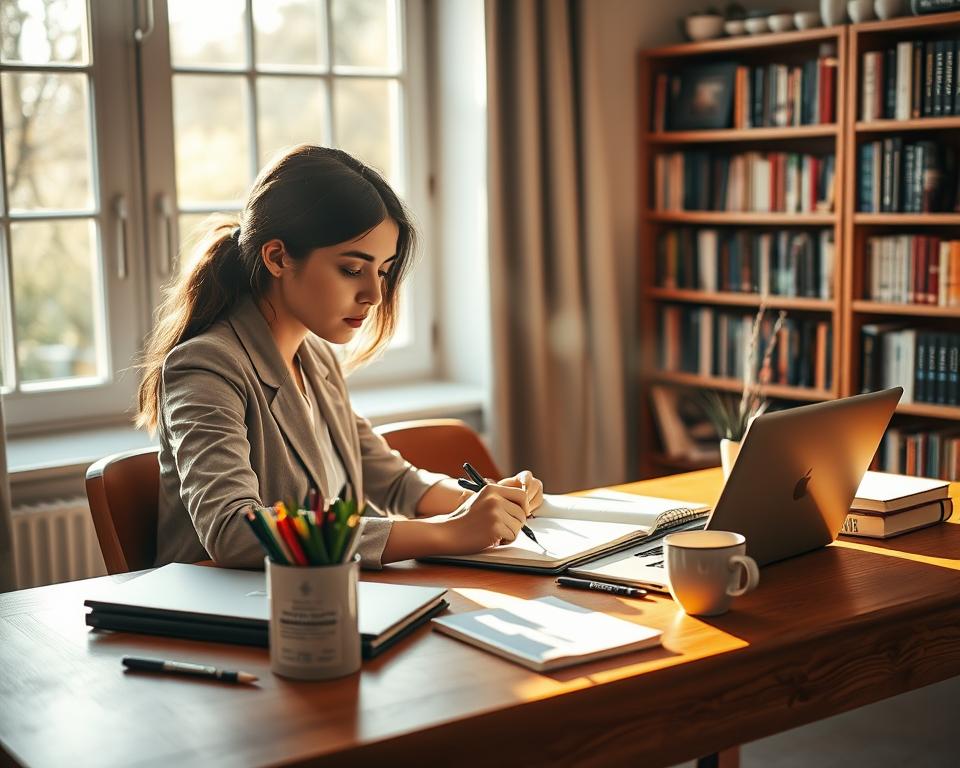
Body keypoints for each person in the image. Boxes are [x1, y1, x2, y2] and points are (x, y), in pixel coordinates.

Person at [137, 144, 543, 569]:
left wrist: (487, 503)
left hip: (320, 600)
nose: (374, 294)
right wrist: (446, 532)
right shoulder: (205, 366)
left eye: (383, 270)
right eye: (352, 269)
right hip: (226, 618)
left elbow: (391, 479)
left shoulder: (314, 357)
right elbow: (235, 531)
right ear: (277, 257)